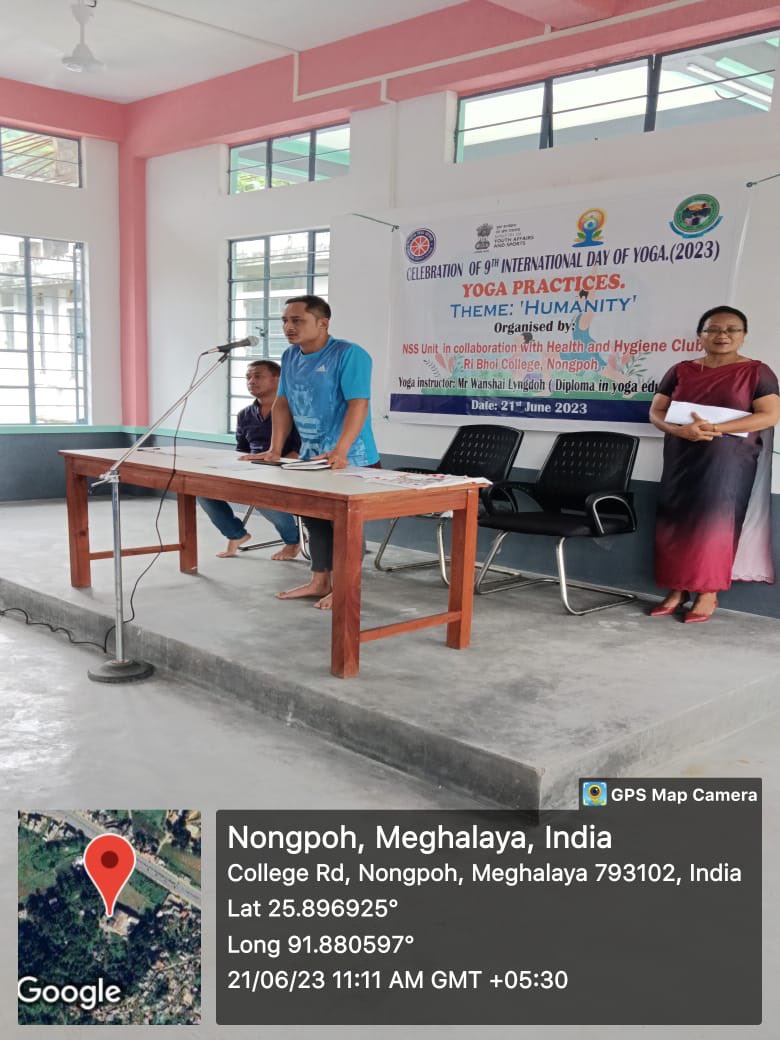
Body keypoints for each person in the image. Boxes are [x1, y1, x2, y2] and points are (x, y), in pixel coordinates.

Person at [648, 305, 780, 622]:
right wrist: (679, 430)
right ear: (700, 335)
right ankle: (677, 589)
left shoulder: (757, 372)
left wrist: (715, 429)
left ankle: (708, 592)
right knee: (674, 521)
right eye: (713, 329)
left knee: (715, 523)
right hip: (681, 457)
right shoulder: (680, 370)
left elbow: (770, 415)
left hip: (728, 463)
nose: (722, 335)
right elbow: (656, 412)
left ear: (743, 335)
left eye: (731, 329)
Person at [257, 295, 379, 610]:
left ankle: (346, 588)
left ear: (322, 323)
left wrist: (341, 450)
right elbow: (282, 402)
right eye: (285, 320)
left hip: (353, 459)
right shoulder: (290, 356)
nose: (288, 327)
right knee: (314, 520)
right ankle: (320, 581)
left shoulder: (349, 355)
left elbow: (359, 404)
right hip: (311, 459)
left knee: (345, 526)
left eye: (297, 320)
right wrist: (275, 449)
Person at [198, 359, 302, 559]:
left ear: (277, 380)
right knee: (203, 490)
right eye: (248, 377)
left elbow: (300, 449)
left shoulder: (294, 410)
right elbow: (241, 450)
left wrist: (275, 467)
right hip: (253, 470)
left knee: (260, 495)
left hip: (286, 471)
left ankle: (293, 541)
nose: (251, 381)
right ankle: (236, 534)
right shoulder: (245, 414)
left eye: (258, 376)